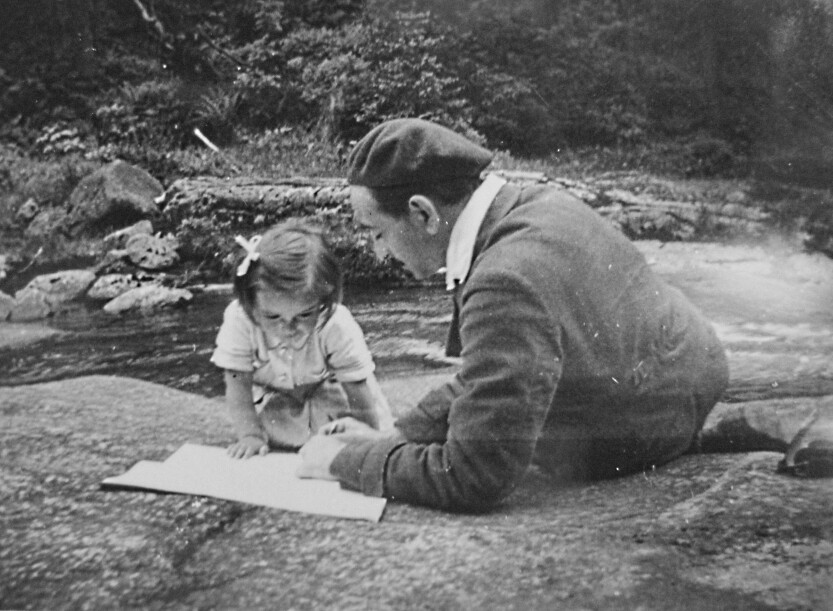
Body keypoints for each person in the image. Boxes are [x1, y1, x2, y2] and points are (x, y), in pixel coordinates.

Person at [297, 118, 729, 511]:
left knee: (545, 456)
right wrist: (400, 435)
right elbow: (492, 374)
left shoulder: (503, 280)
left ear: (422, 213)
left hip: (653, 419)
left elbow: (473, 474)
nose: (377, 251)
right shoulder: (535, 204)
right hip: (688, 368)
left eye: (377, 232)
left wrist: (348, 460)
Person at [211, 219, 392, 458]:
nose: (289, 327)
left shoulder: (335, 322)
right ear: (250, 305)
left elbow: (358, 386)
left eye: (305, 314)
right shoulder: (239, 319)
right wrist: (250, 434)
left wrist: (366, 436)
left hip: (327, 389)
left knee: (342, 432)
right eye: (273, 316)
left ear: (323, 302)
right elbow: (237, 381)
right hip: (273, 394)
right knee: (271, 429)